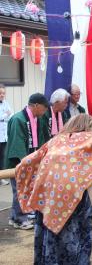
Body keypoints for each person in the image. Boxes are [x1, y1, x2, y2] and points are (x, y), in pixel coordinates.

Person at [15, 114, 92, 264]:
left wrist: (20, 169)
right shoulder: (89, 137)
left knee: (48, 232)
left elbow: (31, 159)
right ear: (86, 126)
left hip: (47, 194)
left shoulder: (56, 140)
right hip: (71, 195)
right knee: (75, 232)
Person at [5, 93, 49, 229]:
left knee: (26, 190)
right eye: (44, 108)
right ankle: (19, 218)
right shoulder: (18, 119)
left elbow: (42, 140)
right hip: (18, 162)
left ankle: (14, 217)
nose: (45, 111)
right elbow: (17, 144)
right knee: (19, 190)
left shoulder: (38, 119)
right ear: (35, 106)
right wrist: (25, 163)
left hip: (31, 161)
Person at [0, 84, 13, 186]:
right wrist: (5, 115)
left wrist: (5, 116)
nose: (2, 95)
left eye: (3, 93)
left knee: (2, 156)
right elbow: (5, 116)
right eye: (0, 93)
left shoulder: (5, 103)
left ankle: (1, 177)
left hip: (4, 135)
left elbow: (11, 114)